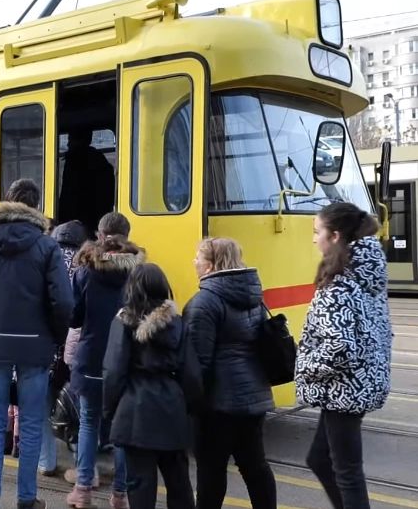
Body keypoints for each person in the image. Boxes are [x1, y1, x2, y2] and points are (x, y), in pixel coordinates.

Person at [0, 178, 74, 509]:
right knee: (33, 424)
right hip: (35, 348)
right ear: (35, 207)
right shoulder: (47, 246)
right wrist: (54, 335)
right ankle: (26, 499)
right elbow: (63, 302)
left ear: (8, 203)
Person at [297, 203, 392, 509]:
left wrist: (303, 365)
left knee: (347, 471)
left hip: (344, 390)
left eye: (317, 232)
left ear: (334, 236)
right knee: (319, 459)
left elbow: (340, 347)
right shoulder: (367, 275)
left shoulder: (338, 284)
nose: (314, 239)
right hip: (361, 382)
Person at [183, 238, 276, 509]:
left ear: (210, 266)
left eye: (198, 258)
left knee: (211, 471)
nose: (194, 262)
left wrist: (189, 404)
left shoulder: (204, 302)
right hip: (254, 395)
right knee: (255, 466)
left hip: (218, 403)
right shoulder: (252, 294)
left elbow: (198, 362)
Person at [102, 263, 201, 509]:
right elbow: (192, 375)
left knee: (140, 485)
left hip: (135, 412)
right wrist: (186, 407)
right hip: (172, 407)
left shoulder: (124, 321)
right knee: (179, 482)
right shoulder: (178, 323)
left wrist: (110, 409)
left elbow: (114, 371)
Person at [67, 213, 144, 509]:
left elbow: (74, 317)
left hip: (91, 357)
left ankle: (83, 491)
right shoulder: (139, 272)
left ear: (100, 234)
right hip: (125, 360)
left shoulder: (85, 271)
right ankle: (120, 496)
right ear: (128, 234)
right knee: (121, 430)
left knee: (88, 423)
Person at [39, 220, 88, 477]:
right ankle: (81, 463)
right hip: (77, 350)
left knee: (42, 405)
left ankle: (46, 461)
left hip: (48, 347)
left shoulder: (47, 262)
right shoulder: (86, 267)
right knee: (80, 409)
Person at [57, 129, 115, 236]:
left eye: (71, 139)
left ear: (82, 140)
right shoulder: (100, 161)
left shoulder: (75, 160)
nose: (68, 143)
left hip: (78, 219)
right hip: (97, 219)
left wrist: (61, 218)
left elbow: (69, 194)